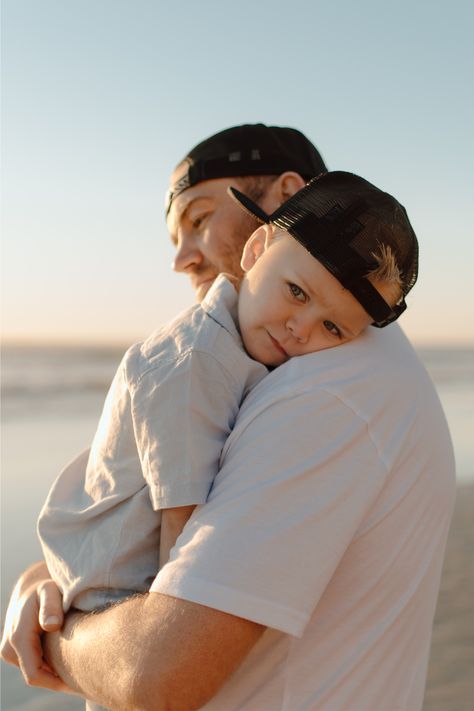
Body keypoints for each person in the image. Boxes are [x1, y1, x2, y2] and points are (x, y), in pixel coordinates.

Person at [1, 124, 455, 711]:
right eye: (295, 294)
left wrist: (52, 638)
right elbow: (127, 503)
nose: (181, 258)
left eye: (198, 218)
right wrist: (44, 578)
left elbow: (158, 668)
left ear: (282, 200)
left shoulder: (327, 386)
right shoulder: (262, 359)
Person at [37, 170, 418, 619]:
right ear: (256, 250)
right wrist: (161, 632)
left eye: (332, 327)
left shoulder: (245, 346)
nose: (301, 329)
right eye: (296, 292)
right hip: (108, 598)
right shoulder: (197, 362)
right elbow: (179, 537)